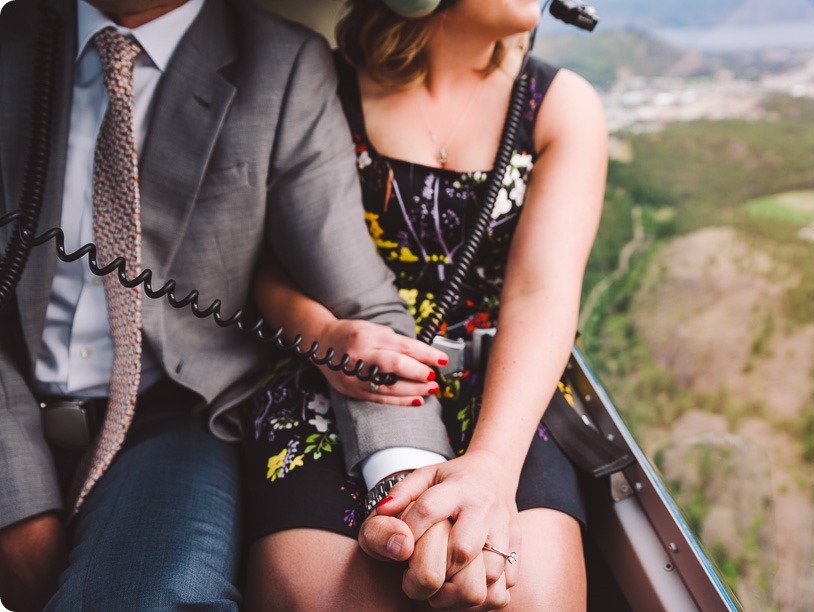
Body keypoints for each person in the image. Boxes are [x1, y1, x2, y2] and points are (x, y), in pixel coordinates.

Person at [0, 0, 453, 609]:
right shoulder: (13, 40)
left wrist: (410, 490)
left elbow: (360, 307)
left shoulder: (282, 65)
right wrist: (14, 499)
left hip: (172, 415)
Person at [241, 0, 608, 608]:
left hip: (506, 394)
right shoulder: (315, 87)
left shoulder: (560, 104)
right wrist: (323, 335)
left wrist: (490, 465)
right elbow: (264, 268)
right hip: (340, 376)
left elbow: (543, 293)